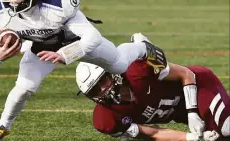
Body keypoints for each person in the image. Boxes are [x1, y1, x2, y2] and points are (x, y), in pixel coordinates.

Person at [0, 0, 167, 141]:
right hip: (43, 48)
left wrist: (65, 54)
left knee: (119, 64)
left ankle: (141, 46)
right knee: (23, 88)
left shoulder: (57, 2)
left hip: (76, 42)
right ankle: (2, 127)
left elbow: (93, 37)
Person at [75, 55, 230, 140]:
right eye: (95, 90)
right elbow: (155, 134)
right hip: (179, 111)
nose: (103, 89)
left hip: (199, 86)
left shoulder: (137, 70)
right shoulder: (106, 118)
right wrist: (191, 138)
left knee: (226, 130)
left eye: (103, 80)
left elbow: (185, 74)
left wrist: (192, 112)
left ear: (110, 73)